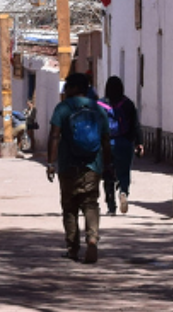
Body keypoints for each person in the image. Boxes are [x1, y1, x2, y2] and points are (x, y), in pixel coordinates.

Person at [45, 73, 106, 263]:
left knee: (70, 207)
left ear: (72, 88)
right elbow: (105, 140)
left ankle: (72, 248)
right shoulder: (98, 109)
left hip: (68, 165)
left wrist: (50, 162)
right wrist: (109, 164)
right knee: (90, 204)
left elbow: (54, 136)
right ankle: (93, 239)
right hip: (92, 165)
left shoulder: (63, 108)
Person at [101, 77, 140, 215]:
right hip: (124, 143)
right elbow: (135, 124)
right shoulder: (128, 104)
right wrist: (139, 142)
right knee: (124, 172)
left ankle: (111, 206)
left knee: (107, 174)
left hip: (105, 144)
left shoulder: (100, 104)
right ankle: (123, 191)